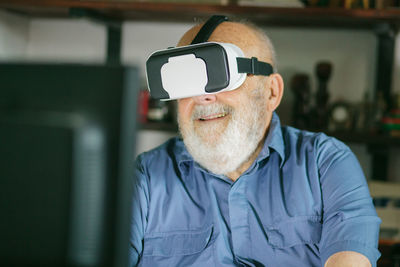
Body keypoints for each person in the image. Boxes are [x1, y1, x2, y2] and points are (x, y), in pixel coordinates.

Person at [130, 18, 381, 267]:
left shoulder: (325, 163)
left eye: (221, 74)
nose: (202, 96)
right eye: (187, 80)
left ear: (272, 92)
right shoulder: (146, 179)